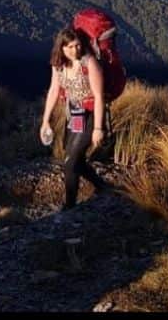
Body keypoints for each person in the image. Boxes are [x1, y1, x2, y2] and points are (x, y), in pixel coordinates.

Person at [40, 28, 112, 209]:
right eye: (70, 46)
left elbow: (99, 97)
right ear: (62, 48)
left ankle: (69, 205)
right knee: (74, 158)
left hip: (91, 114)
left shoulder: (90, 63)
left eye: (78, 45)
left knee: (70, 162)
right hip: (74, 113)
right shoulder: (58, 65)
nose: (75, 50)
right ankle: (103, 186)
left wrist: (98, 128)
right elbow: (54, 90)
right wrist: (45, 120)